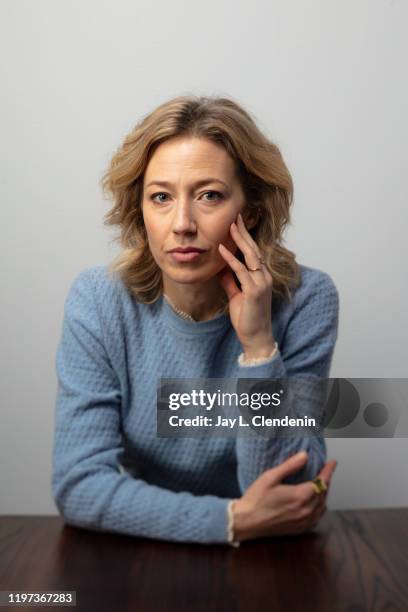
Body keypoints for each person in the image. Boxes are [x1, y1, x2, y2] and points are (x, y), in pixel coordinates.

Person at [51, 95, 339, 546]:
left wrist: (259, 347)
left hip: (271, 560)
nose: (182, 223)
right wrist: (232, 520)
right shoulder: (100, 300)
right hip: (143, 554)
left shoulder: (305, 300)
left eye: (209, 196)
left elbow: (285, 491)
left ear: (253, 209)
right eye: (161, 197)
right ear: (139, 209)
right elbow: (79, 485)